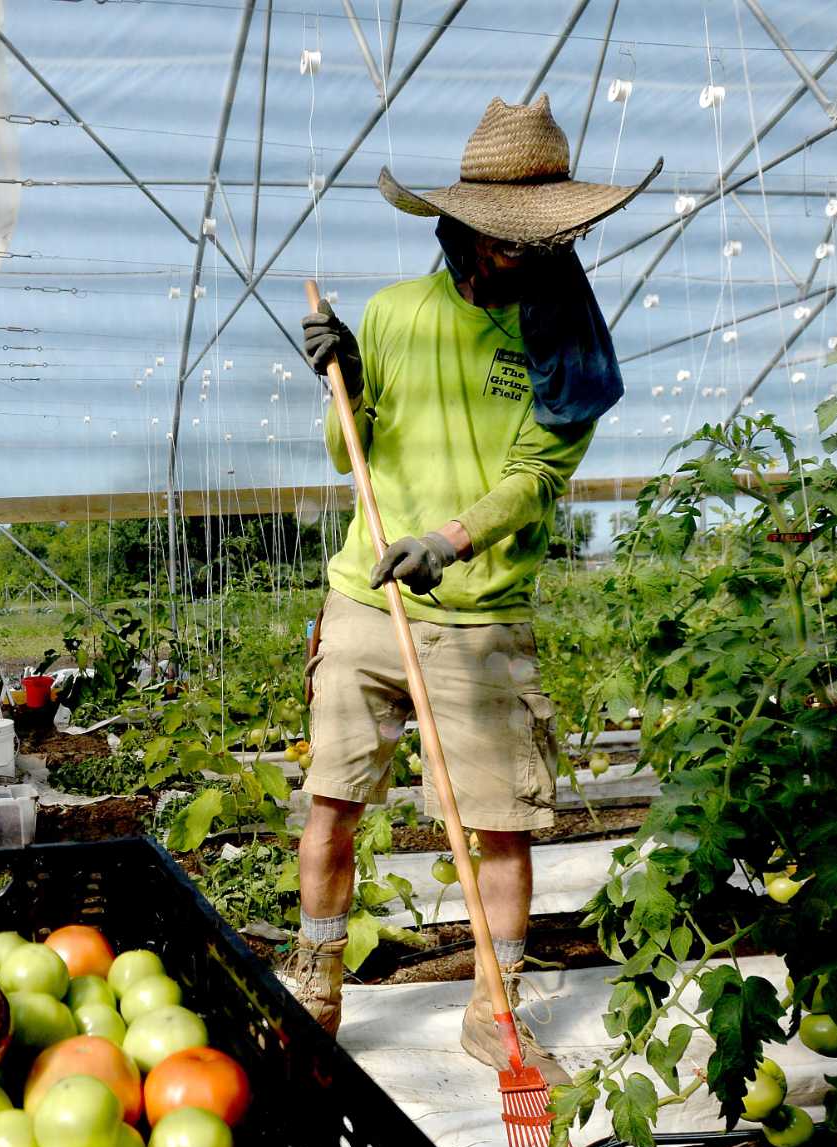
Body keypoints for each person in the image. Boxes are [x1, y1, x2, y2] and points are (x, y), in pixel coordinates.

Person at [280, 96, 659, 1086]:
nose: (510, 254)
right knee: (332, 804)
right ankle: (316, 980)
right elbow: (346, 453)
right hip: (365, 600)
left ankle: (494, 1008)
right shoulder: (393, 312)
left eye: (530, 241)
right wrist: (348, 383)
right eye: (494, 235)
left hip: (479, 617)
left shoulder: (565, 348)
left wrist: (443, 542)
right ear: (456, 221)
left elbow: (534, 478)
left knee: (498, 827)